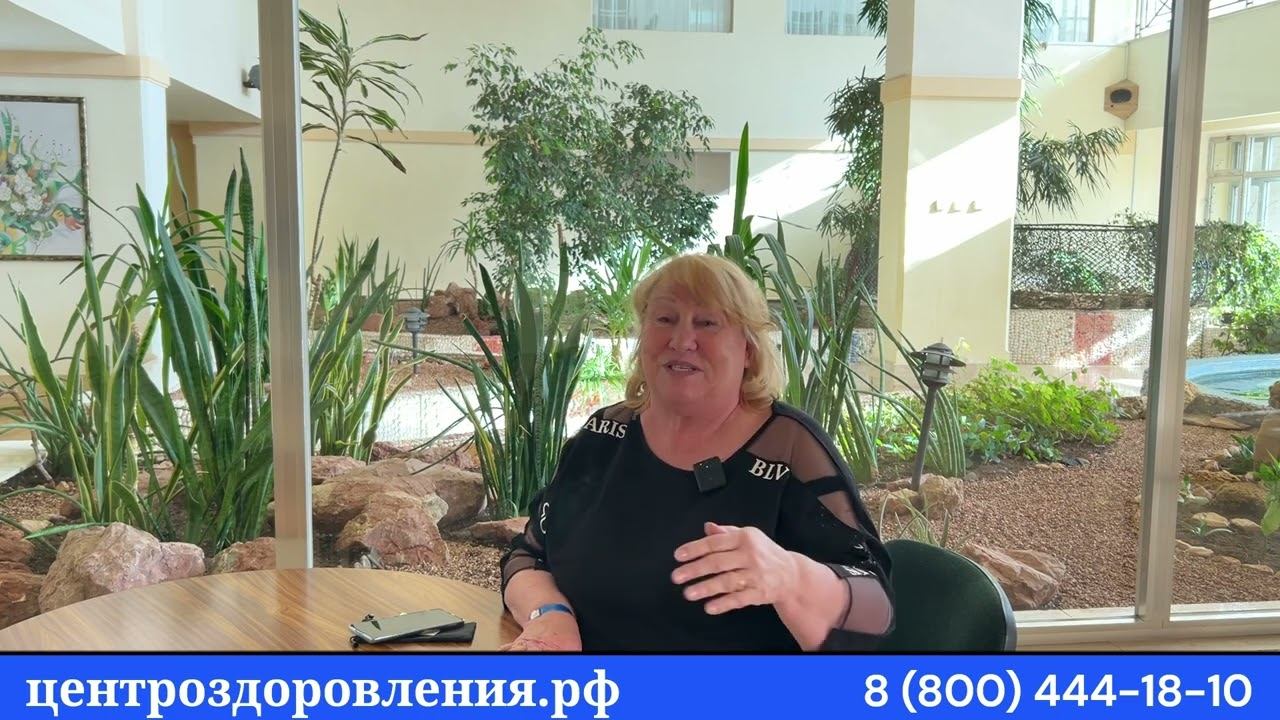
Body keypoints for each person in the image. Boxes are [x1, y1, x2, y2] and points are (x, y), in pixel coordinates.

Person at [499, 254, 893, 651]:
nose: (681, 340)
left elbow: (877, 610)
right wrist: (550, 615)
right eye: (665, 319)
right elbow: (529, 555)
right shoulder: (604, 434)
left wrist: (791, 577)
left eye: (707, 323)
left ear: (749, 350)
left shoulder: (790, 449)